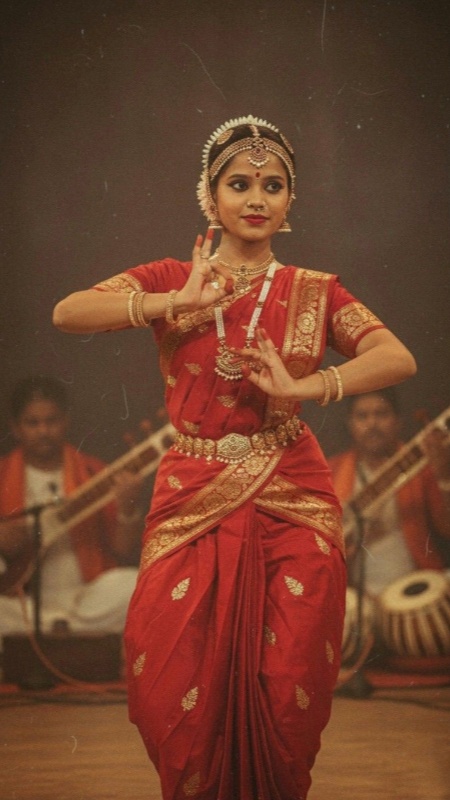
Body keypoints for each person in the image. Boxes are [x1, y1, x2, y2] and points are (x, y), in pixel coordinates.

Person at [53, 116, 416, 800]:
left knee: (286, 691)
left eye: (273, 185)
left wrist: (305, 386)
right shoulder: (171, 277)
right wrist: (170, 302)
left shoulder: (315, 290)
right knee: (168, 683)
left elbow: (397, 357)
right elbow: (68, 313)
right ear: (209, 196)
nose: (257, 197)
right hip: (192, 489)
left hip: (292, 494)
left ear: (290, 200)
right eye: (240, 183)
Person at [0, 375, 143, 646]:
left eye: (51, 421)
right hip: (22, 604)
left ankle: (54, 633)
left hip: (85, 601)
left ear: (65, 421)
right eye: (33, 423)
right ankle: (70, 636)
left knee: (133, 585)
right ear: (16, 428)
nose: (43, 431)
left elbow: (123, 550)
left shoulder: (93, 473)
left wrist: (127, 508)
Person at [328, 388, 450, 597]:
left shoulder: (421, 466)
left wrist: (444, 476)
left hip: (416, 585)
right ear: (350, 424)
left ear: (398, 421)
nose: (372, 424)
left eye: (381, 414)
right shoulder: (331, 472)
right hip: (359, 597)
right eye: (362, 416)